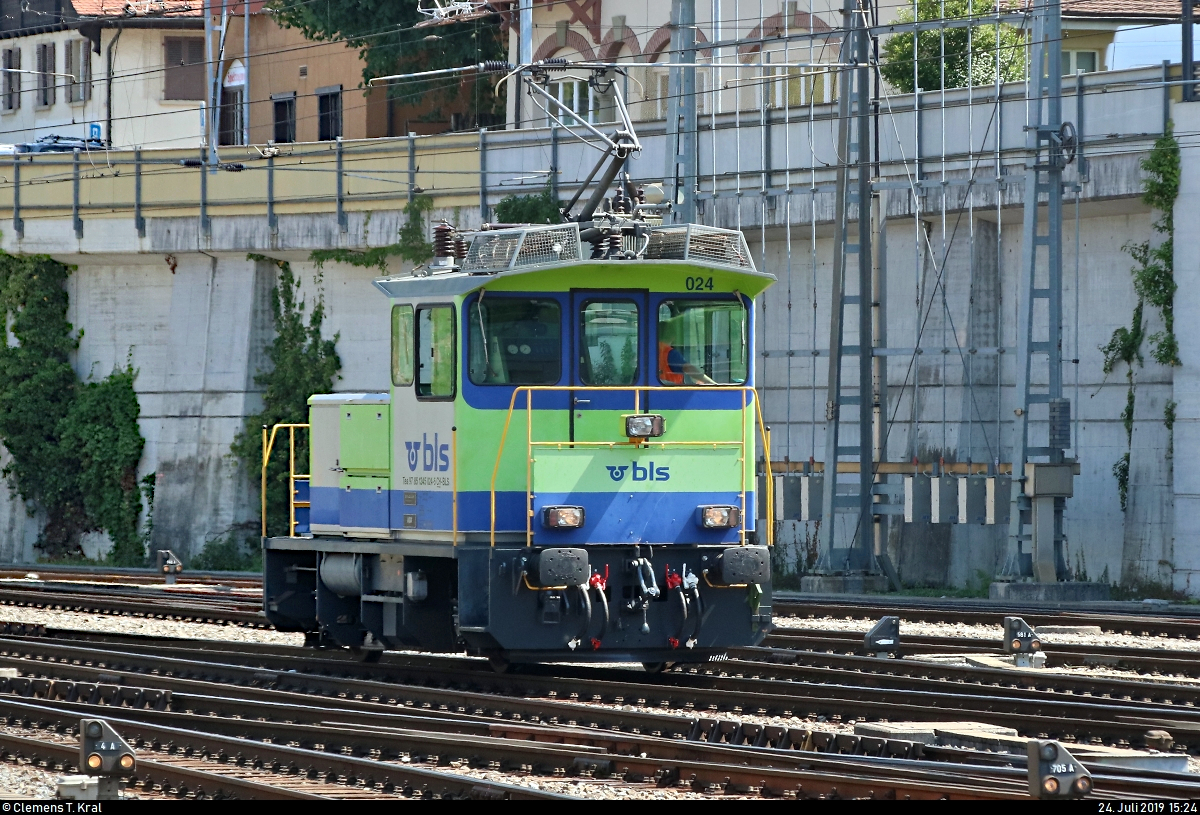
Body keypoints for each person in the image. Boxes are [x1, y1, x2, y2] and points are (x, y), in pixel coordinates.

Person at [658, 318, 716, 385]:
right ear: (673, 336)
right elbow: (688, 368)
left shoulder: (653, 351)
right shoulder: (670, 353)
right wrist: (712, 384)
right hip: (671, 392)